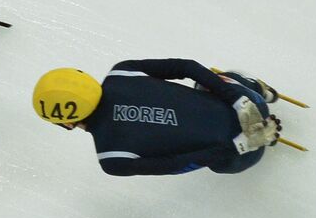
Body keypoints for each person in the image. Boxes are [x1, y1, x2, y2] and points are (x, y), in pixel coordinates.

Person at [31, 62, 283, 176]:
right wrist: (240, 101)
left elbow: (178, 165)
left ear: (66, 123)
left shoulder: (112, 159)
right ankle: (259, 91)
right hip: (250, 104)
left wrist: (242, 144)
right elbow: (187, 67)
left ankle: (256, 133)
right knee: (207, 80)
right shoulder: (123, 72)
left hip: (243, 154)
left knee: (210, 162)